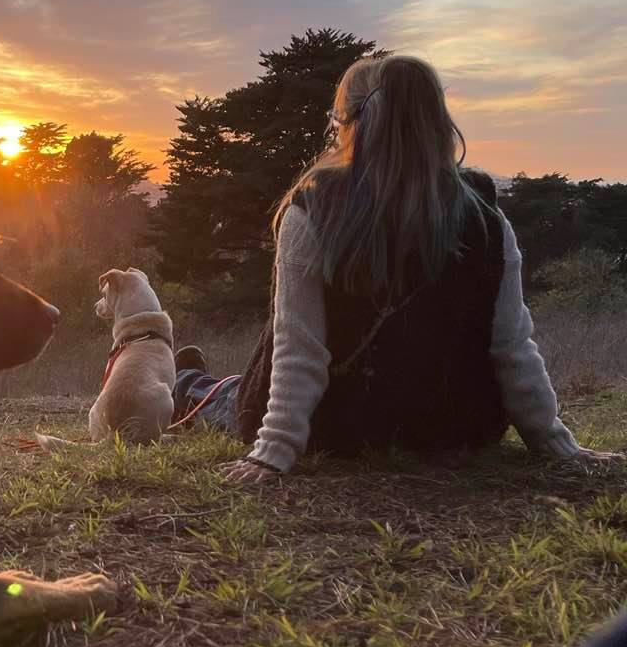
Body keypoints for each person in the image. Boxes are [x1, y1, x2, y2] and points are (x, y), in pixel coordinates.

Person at [170, 55, 623, 484]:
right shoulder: (487, 217)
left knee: (228, 396)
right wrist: (555, 443)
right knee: (235, 385)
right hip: (450, 428)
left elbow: (298, 349)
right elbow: (511, 346)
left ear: (353, 125)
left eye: (337, 121)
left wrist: (275, 449)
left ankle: (185, 381)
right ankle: (194, 376)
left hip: (335, 428)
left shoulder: (312, 210)